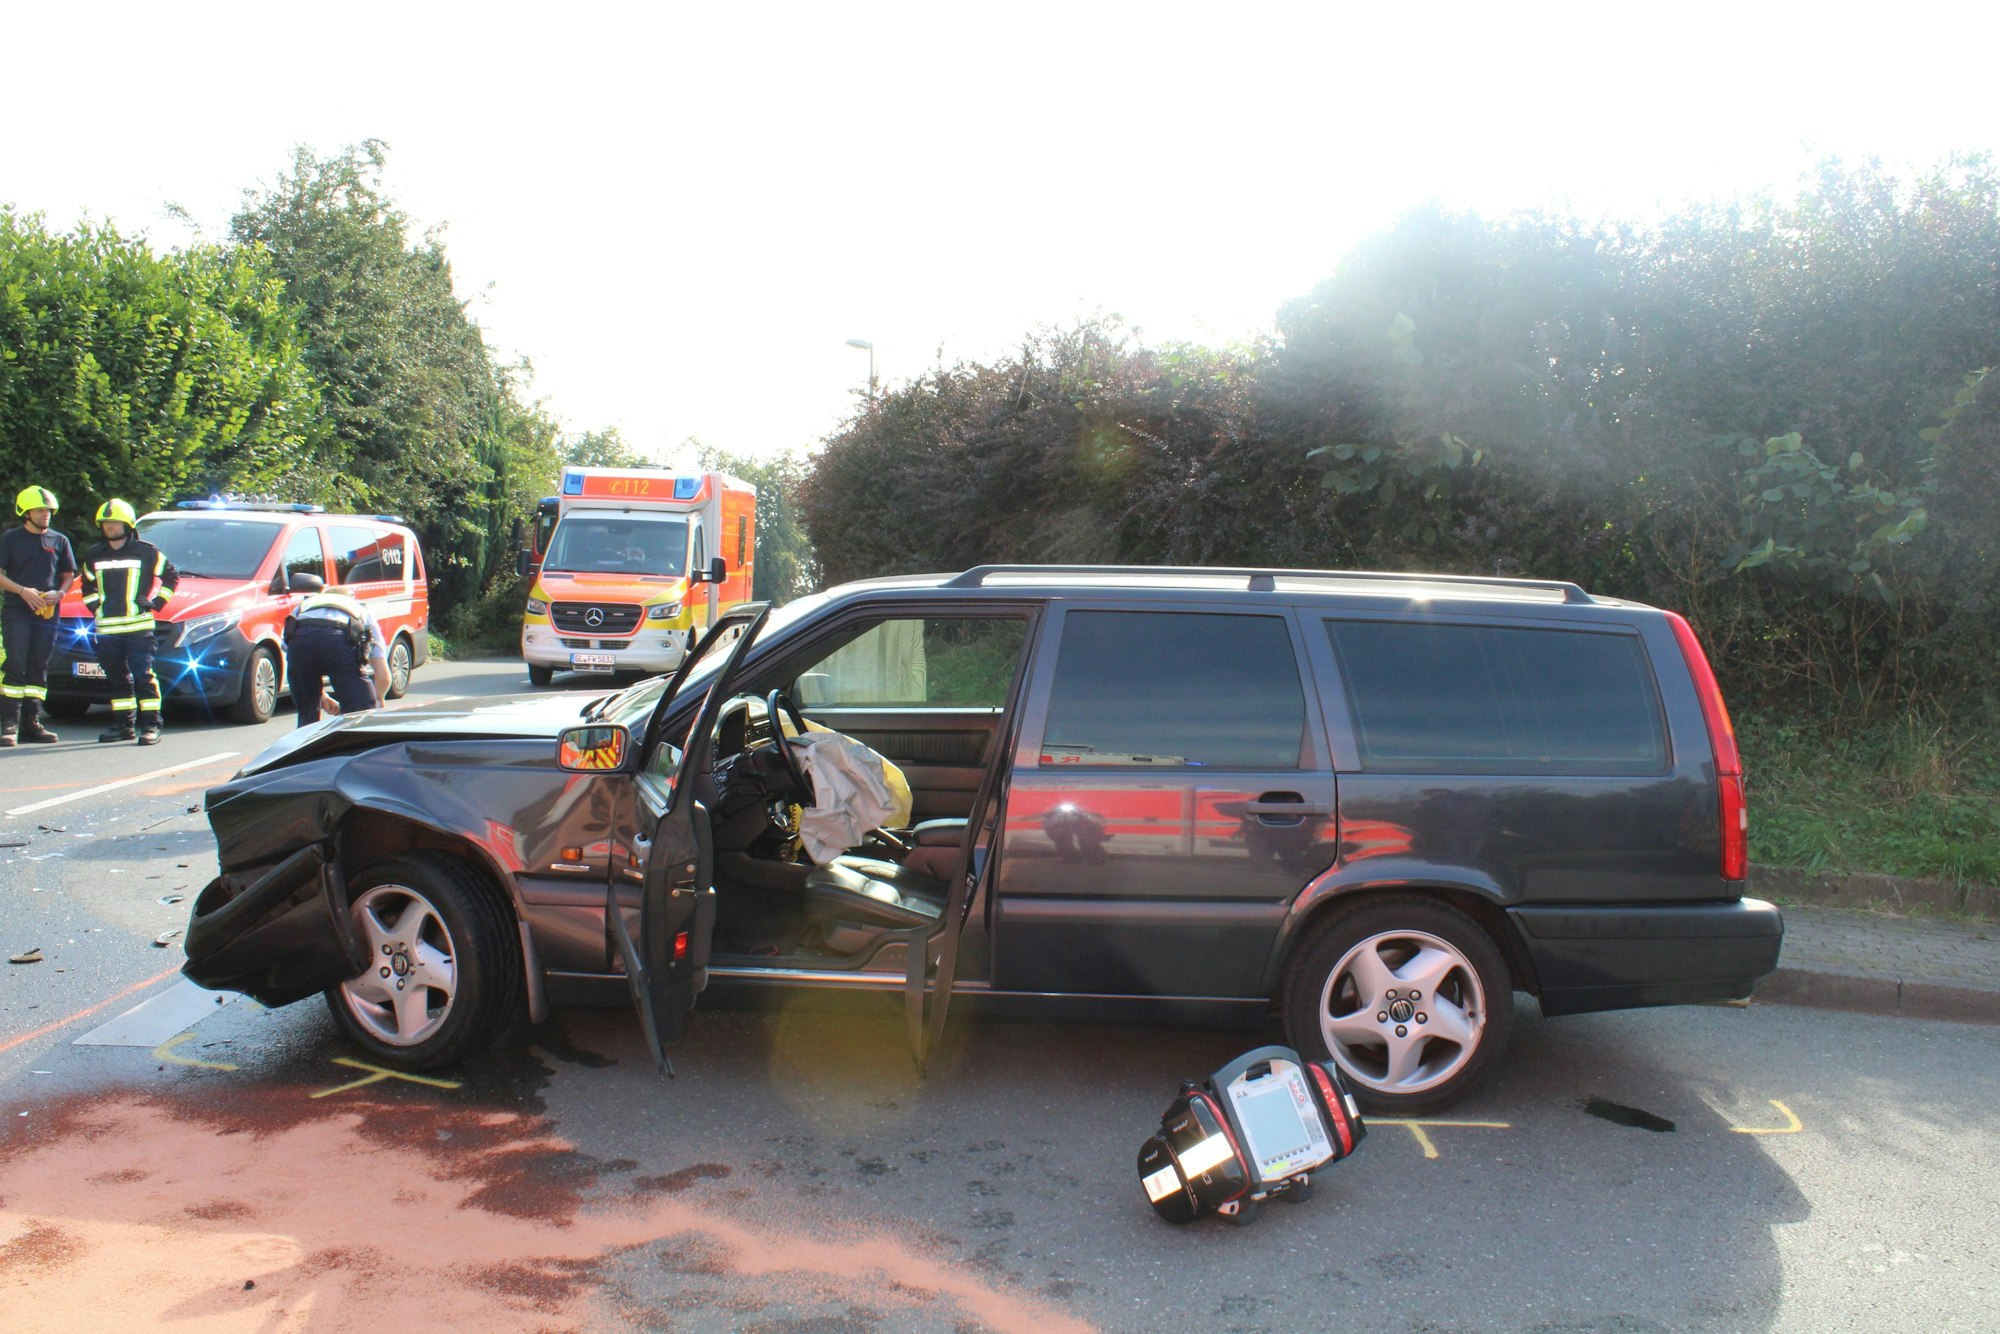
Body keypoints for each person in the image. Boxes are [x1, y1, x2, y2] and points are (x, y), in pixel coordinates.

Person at [80, 499, 180, 745]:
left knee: (143, 676)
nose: (110, 527)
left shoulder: (146, 551)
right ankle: (123, 726)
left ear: (127, 524)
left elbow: (171, 576)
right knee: (117, 678)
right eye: (105, 523)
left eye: (115, 523)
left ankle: (151, 725)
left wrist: (157, 603)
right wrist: (95, 606)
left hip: (139, 628)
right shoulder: (94, 554)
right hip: (107, 630)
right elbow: (87, 585)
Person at [0, 485, 78, 747]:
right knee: (15, 663)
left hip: (47, 614)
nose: (46, 515)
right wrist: (22, 591)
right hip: (17, 612)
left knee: (39, 666)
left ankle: (32, 723)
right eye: (40, 510)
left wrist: (60, 593)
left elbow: (68, 576)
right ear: (25, 512)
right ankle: (9, 725)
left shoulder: (60, 540)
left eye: (48, 511)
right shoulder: (10, 539)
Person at [284, 578, 391, 729]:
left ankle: (308, 747)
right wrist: (378, 699)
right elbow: (383, 675)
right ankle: (360, 746)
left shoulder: (305, 605)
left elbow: (295, 653)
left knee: (307, 718)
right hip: (338, 642)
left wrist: (321, 696)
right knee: (361, 715)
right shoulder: (359, 608)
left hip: (300, 643)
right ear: (351, 597)